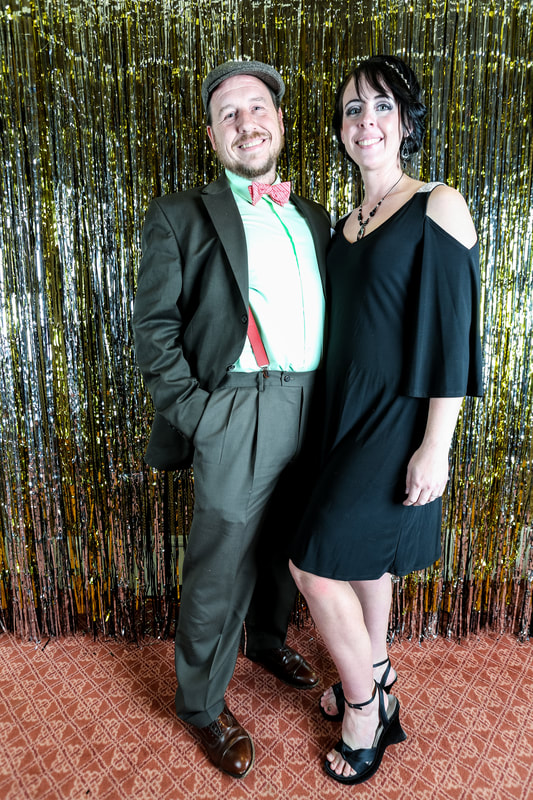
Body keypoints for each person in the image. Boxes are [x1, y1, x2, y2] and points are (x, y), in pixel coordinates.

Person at [132, 60, 331, 778]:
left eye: (257, 108)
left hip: (315, 403)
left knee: (287, 540)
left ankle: (267, 640)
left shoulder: (313, 216)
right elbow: (153, 328)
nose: (246, 123)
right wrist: (200, 414)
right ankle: (200, 704)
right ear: (214, 137)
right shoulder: (180, 214)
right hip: (237, 407)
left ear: (278, 121)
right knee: (220, 563)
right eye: (229, 114)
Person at [289, 55, 483, 785]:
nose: (364, 121)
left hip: (396, 421)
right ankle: (378, 673)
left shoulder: (437, 204)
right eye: (352, 109)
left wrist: (436, 445)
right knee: (363, 562)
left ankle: (365, 708)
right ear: (341, 130)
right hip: (339, 415)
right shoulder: (342, 227)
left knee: (311, 565)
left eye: (380, 106)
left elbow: (453, 334)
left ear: (405, 123)